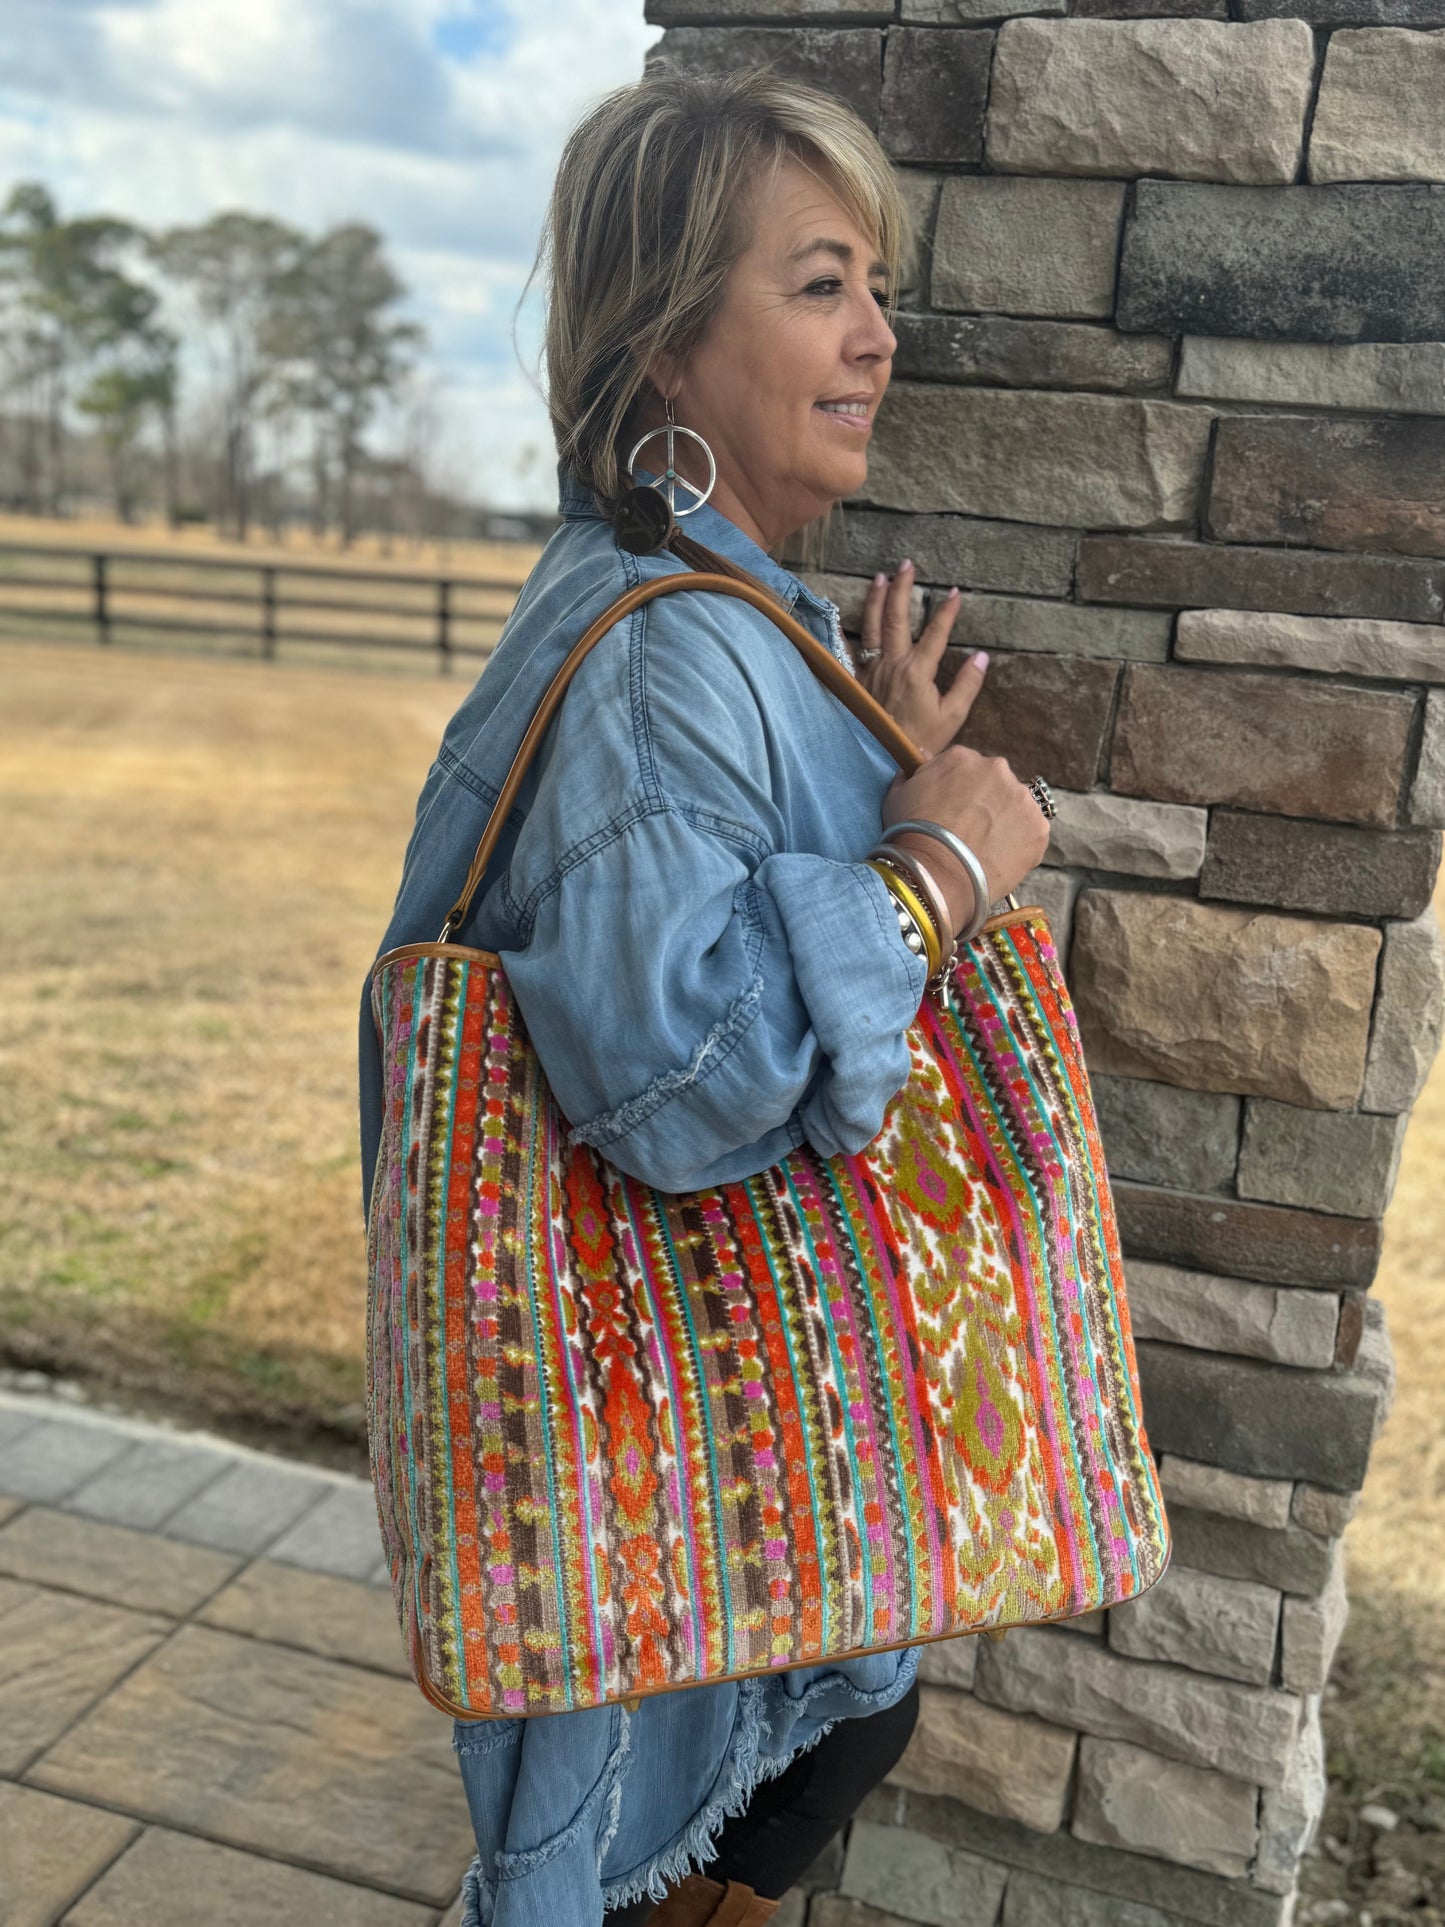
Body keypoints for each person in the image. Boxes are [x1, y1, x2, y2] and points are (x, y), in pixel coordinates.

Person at [357, 59, 1051, 1927]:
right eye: (820, 285)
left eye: (875, 286)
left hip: (683, 1435)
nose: (877, 334)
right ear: (665, 345)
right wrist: (937, 869)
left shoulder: (692, 603)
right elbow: (679, 1075)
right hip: (664, 1437)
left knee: (829, 1724)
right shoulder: (667, 653)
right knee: (777, 1754)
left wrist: (863, 754)